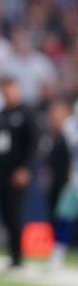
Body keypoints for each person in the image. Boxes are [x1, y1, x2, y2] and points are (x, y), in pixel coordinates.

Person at [0, 75, 37, 271]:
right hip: (1, 172)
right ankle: (12, 255)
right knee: (5, 215)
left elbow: (33, 144)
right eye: (5, 91)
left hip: (18, 173)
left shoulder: (26, 114)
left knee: (15, 214)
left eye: (11, 90)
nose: (8, 94)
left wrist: (26, 169)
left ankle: (18, 258)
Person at [48, 101, 78, 273]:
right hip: (74, 180)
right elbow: (58, 123)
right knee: (64, 216)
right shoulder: (71, 127)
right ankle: (58, 255)